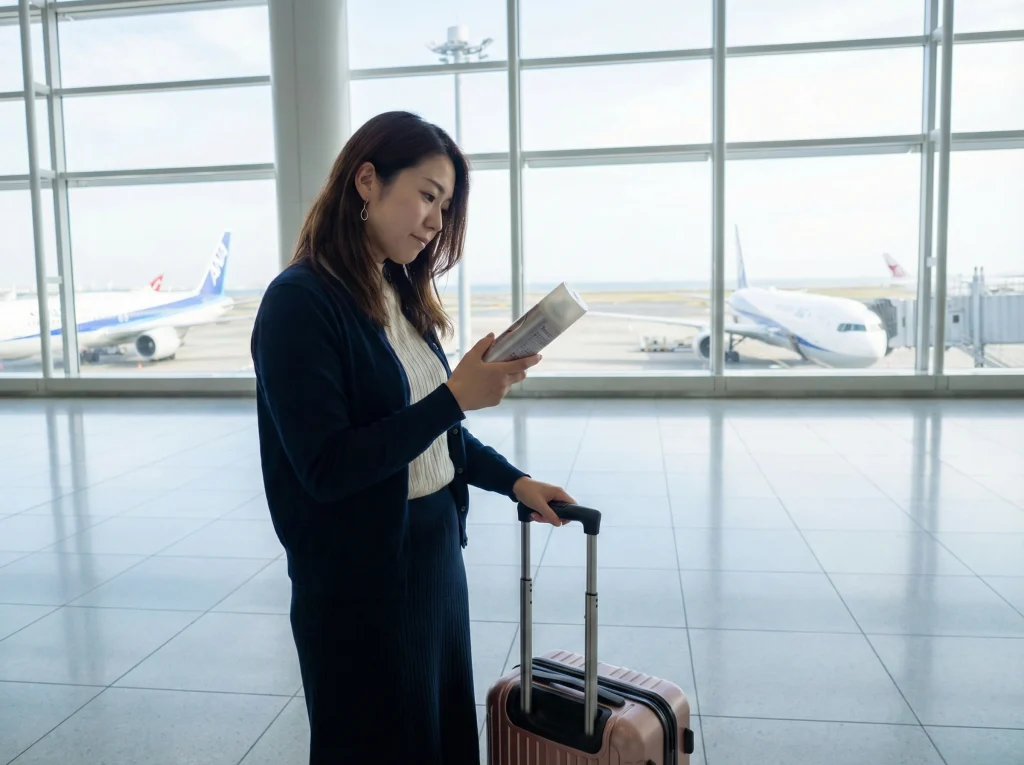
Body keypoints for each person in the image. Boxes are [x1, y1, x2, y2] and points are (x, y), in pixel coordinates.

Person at [250, 110, 575, 764]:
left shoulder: (396, 293)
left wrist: (512, 479)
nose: (436, 221)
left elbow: (429, 436)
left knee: (439, 736)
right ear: (366, 180)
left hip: (430, 560)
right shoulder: (299, 301)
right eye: (427, 195)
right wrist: (455, 395)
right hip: (357, 581)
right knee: (376, 743)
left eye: (446, 205)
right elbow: (328, 465)